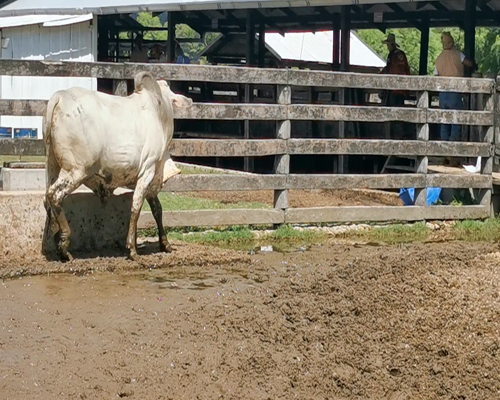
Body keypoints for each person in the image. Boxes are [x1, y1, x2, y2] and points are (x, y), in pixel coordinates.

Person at [434, 31, 477, 143]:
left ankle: (444, 144)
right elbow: (469, 64)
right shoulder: (458, 54)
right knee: (455, 118)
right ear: (451, 42)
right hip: (455, 91)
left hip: (443, 93)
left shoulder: (438, 59)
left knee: (444, 119)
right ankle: (453, 144)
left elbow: (435, 75)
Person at [379, 34, 411, 107]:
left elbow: (389, 70)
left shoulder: (392, 55)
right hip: (401, 87)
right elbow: (406, 69)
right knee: (400, 107)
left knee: (390, 108)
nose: (387, 47)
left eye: (388, 45)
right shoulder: (402, 54)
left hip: (392, 87)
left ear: (391, 45)